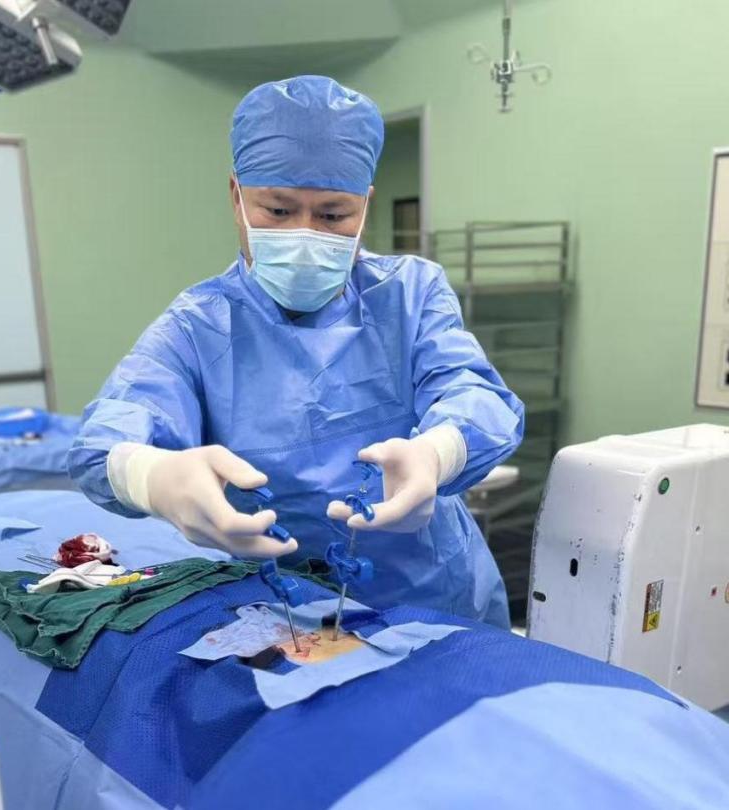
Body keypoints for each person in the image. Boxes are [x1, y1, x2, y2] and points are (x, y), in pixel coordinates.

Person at [68, 75, 524, 627]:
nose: (305, 235)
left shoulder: (410, 293)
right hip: (280, 612)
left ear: (365, 206)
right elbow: (105, 440)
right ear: (236, 196)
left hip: (433, 598)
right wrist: (154, 477)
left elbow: (477, 396)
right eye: (278, 211)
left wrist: (437, 452)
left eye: (333, 215)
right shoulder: (196, 327)